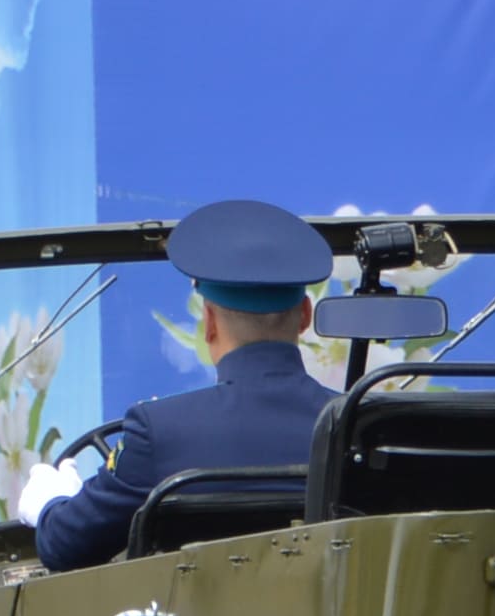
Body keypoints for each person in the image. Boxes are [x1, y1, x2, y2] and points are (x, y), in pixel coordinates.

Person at [30, 199, 346, 573]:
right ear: (306, 316)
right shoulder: (356, 429)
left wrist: (50, 504)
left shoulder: (160, 432)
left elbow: (66, 547)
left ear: (209, 323)